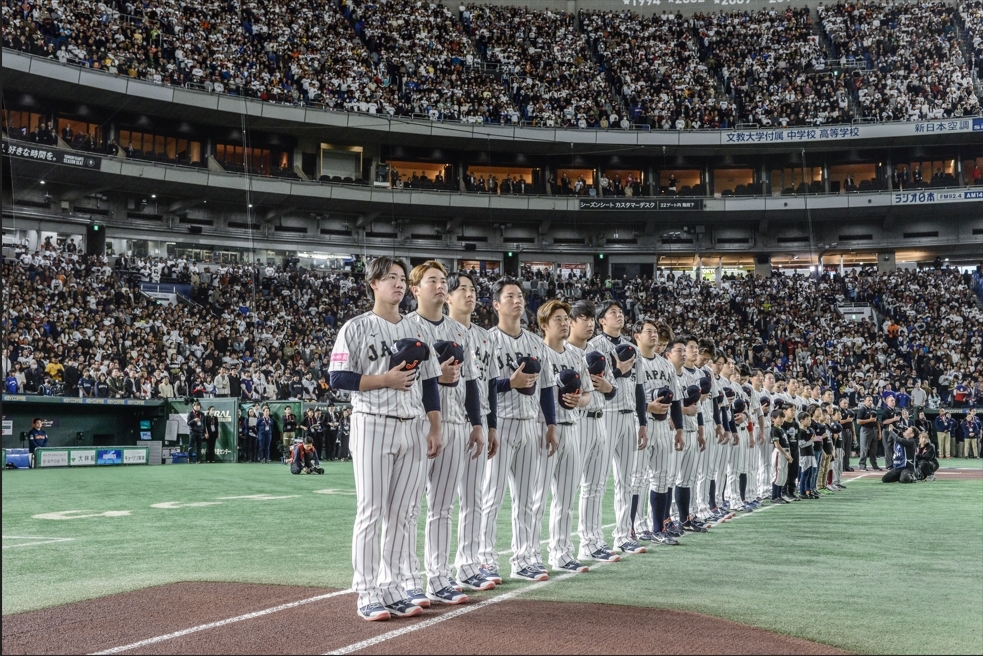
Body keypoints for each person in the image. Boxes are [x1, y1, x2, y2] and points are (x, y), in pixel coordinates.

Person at [328, 256, 443, 622]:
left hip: (412, 424)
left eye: (399, 278)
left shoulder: (416, 328)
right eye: (388, 277)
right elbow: (338, 378)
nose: (396, 283)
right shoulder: (356, 327)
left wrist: (435, 426)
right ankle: (366, 591)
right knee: (372, 511)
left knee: (404, 513)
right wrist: (384, 380)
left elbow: (430, 384)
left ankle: (393, 588)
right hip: (372, 422)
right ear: (373, 284)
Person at [478, 277, 559, 584]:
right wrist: (508, 383)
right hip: (498, 425)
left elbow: (547, 388)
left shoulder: (536, 344)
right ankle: (484, 559)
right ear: (496, 304)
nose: (517, 300)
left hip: (529, 426)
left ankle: (523, 558)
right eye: (510, 296)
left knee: (525, 498)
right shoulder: (487, 340)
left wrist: (550, 425)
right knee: (491, 497)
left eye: (520, 296)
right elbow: (482, 386)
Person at [856, 395, 881, 471]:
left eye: (871, 400)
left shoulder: (873, 409)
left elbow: (877, 422)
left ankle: (874, 465)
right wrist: (869, 420)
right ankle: (862, 465)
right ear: (864, 401)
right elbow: (858, 421)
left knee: (874, 449)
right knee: (864, 448)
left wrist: (879, 432)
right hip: (865, 429)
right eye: (869, 400)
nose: (870, 402)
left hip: (874, 430)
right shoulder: (862, 410)